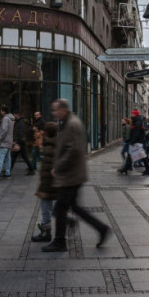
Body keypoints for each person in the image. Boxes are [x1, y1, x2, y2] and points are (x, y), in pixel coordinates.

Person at [41, 98, 110, 253]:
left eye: (55, 110)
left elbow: (73, 150)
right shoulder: (68, 122)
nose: (54, 113)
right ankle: (101, 228)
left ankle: (60, 242)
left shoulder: (72, 124)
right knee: (74, 208)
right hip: (72, 174)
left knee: (60, 208)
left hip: (71, 175)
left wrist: (58, 166)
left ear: (63, 110)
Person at [31, 121, 59, 243]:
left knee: (46, 208)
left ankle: (46, 233)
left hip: (48, 184)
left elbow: (48, 169)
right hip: (51, 184)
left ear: (46, 133)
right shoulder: (54, 144)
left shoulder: (49, 146)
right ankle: (47, 229)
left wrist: (43, 187)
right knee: (49, 208)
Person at [119, 110, 149, 176]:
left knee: (141, 156)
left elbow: (136, 132)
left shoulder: (137, 122)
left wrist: (133, 141)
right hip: (136, 141)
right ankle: (126, 169)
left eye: (133, 114)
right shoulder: (136, 121)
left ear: (135, 115)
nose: (131, 115)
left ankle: (148, 169)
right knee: (130, 156)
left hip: (137, 142)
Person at [0, 107, 14, 180]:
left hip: (4, 142)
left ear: (4, 112)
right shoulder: (11, 119)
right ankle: (8, 174)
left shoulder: (5, 119)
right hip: (9, 142)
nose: (0, 112)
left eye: (1, 111)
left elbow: (4, 131)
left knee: (0, 159)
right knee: (8, 158)